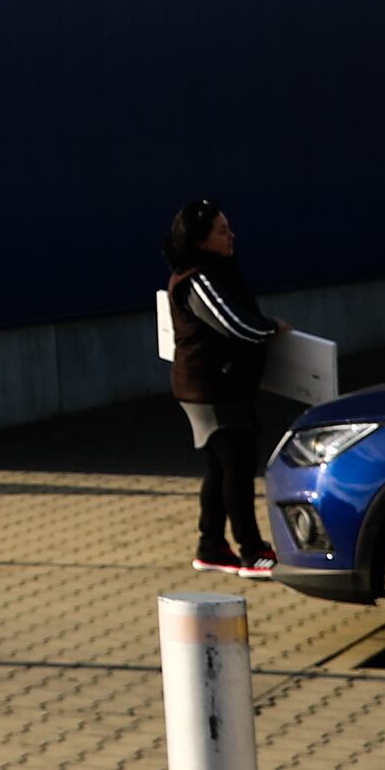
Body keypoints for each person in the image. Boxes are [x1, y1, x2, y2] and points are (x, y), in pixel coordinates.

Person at [162, 199, 280, 577]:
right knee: (238, 465)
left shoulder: (212, 271)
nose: (231, 235)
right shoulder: (197, 279)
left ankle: (211, 545)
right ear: (199, 241)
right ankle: (252, 551)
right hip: (210, 388)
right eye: (221, 230)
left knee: (219, 467)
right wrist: (272, 328)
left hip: (220, 384)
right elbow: (234, 325)